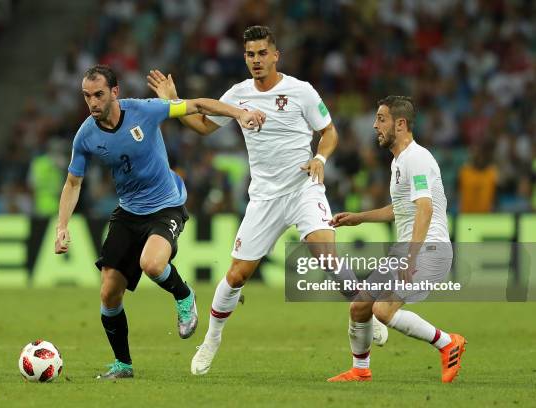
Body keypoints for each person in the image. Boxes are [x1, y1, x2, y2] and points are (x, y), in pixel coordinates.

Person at [146, 25, 387, 376]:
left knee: (328, 258)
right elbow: (201, 126)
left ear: (276, 55)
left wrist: (320, 159)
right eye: (250, 54)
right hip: (264, 198)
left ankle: (363, 308)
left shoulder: (301, 91)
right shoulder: (238, 94)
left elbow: (329, 132)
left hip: (303, 188)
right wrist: (173, 98)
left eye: (262, 53)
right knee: (237, 275)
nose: (256, 60)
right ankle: (211, 340)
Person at [54, 64, 265, 380]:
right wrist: (62, 226)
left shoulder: (145, 111)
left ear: (115, 92)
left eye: (98, 95)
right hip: (128, 212)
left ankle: (184, 295)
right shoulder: (86, 135)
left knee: (152, 264)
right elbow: (73, 183)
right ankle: (123, 365)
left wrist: (239, 113)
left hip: (166, 205)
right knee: (109, 293)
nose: (93, 103)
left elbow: (197, 106)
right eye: (87, 96)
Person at [327, 96, 466, 383]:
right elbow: (400, 209)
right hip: (408, 249)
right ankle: (361, 370)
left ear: (400, 124)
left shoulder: (417, 157)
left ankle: (448, 343)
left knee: (383, 310)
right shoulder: (400, 161)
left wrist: (412, 257)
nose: (375, 126)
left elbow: (425, 207)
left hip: (429, 249)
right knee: (360, 306)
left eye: (381, 119)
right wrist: (359, 217)